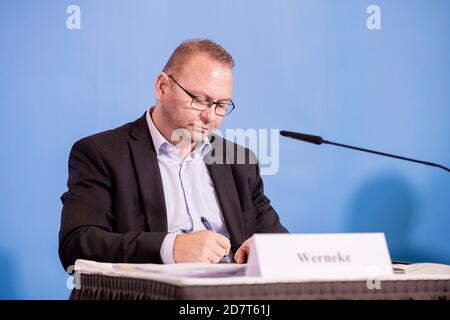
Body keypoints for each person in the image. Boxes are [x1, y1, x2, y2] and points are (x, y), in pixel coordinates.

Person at [59, 39, 287, 270]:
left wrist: (264, 249)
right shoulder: (101, 153)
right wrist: (172, 247)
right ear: (162, 87)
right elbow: (77, 244)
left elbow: (280, 244)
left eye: (221, 105)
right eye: (200, 100)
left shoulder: (239, 161)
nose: (211, 117)